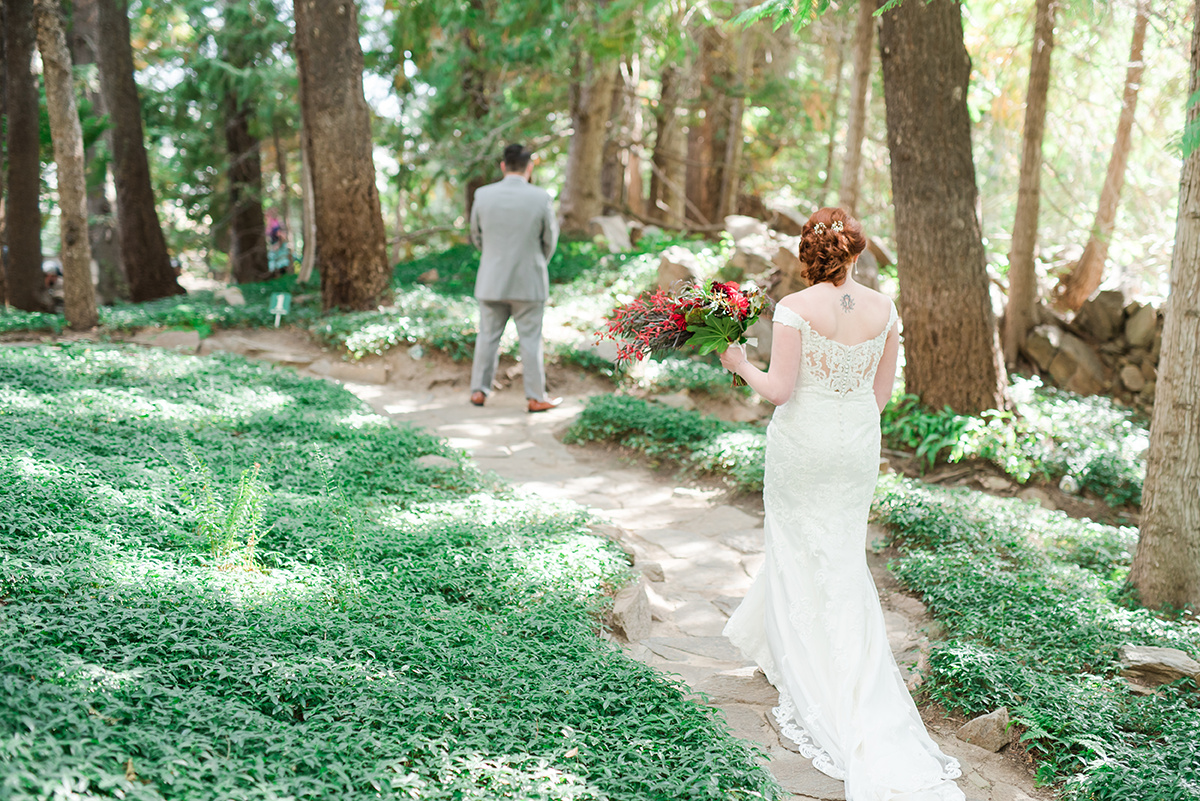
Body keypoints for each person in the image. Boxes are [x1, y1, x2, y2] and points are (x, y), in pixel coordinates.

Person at [718, 207, 966, 800]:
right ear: (856, 253)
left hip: (803, 442)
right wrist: (847, 416)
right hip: (855, 442)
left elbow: (780, 390)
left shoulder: (795, 309)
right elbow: (881, 395)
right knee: (839, 551)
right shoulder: (885, 309)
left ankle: (814, 669)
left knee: (798, 543)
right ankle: (816, 654)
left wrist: (739, 363)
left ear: (809, 253)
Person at [468, 143, 561, 413]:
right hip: (529, 281)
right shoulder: (541, 197)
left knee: (487, 336)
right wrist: (535, 262)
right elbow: (549, 240)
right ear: (529, 167)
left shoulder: (482, 195)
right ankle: (535, 397)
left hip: (491, 279)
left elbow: (476, 236)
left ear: (503, 166)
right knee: (530, 340)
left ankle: (478, 392)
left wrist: (493, 258)